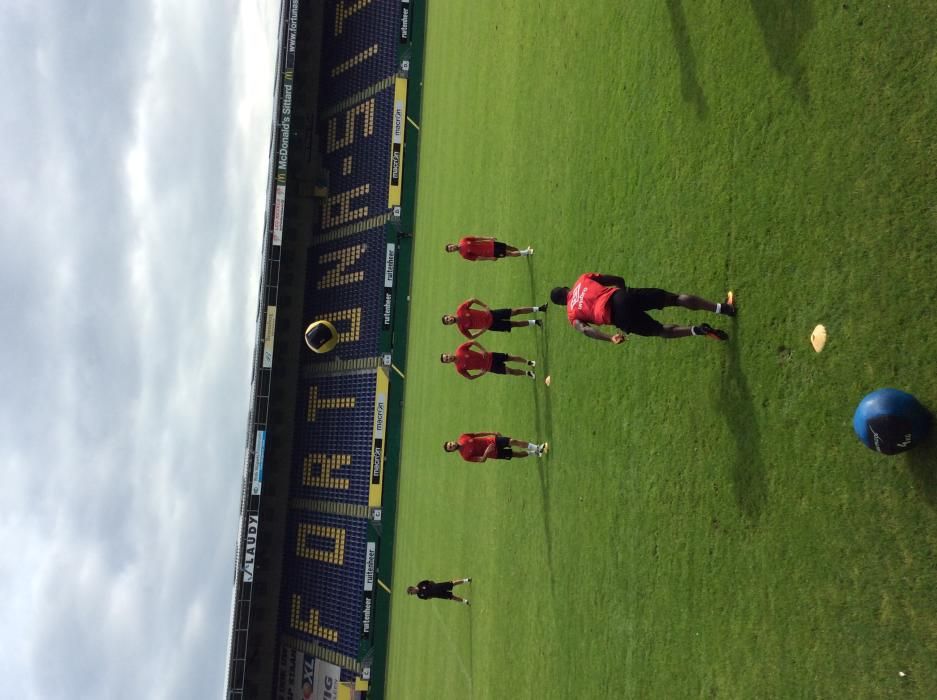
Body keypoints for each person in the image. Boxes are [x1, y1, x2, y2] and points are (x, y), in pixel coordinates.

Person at [549, 274, 734, 343]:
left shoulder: (572, 315)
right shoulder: (583, 280)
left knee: (660, 330)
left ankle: (699, 330)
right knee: (675, 299)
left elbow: (586, 330)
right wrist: (625, 295)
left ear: (562, 304)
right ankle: (723, 308)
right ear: (567, 288)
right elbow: (618, 279)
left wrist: (610, 337)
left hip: (618, 317)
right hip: (621, 296)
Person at [442, 298, 546, 339]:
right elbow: (470, 337)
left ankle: (540, 308)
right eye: (448, 322)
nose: (449, 320)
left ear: (449, 315)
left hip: (491, 314)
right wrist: (481, 331)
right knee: (515, 324)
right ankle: (536, 322)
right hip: (491, 326)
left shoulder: (461, 309)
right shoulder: (461, 328)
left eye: (448, 318)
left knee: (515, 311)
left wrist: (485, 307)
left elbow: (473, 300)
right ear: (449, 324)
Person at [440, 340, 536, 379]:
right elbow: (469, 377)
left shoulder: (460, 350)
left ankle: (528, 362)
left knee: (510, 357)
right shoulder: (459, 368)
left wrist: (483, 350)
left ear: (448, 354)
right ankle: (527, 373)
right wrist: (480, 374)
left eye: (446, 356)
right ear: (447, 363)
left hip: (490, 356)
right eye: (446, 360)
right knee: (509, 371)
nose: (448, 358)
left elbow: (472, 342)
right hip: (490, 367)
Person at [444, 432, 548, 461]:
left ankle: (537, 447)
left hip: (493, 440)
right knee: (515, 454)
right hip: (495, 453)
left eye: (450, 443)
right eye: (450, 447)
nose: (452, 445)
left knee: (513, 441)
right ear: (452, 451)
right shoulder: (465, 456)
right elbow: (481, 460)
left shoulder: (463, 437)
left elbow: (476, 434)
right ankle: (534, 452)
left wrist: (492, 433)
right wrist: (486, 452)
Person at [445, 236, 532, 261]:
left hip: (491, 244)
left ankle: (522, 252)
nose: (452, 248)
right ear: (452, 252)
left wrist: (489, 238)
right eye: (451, 250)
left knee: (509, 247)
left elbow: (477, 238)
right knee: (508, 253)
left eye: (451, 247)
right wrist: (490, 258)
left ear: (452, 244)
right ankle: (526, 252)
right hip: (491, 252)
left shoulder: (463, 240)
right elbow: (478, 258)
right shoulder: (464, 255)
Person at [407, 577, 472, 606]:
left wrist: (435, 586)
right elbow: (429, 598)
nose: (413, 594)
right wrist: (434, 594)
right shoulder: (420, 596)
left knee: (452, 583)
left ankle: (466, 580)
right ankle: (465, 601)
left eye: (412, 592)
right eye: (412, 594)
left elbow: (430, 581)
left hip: (438, 586)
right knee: (452, 597)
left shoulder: (420, 584)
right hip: (438, 595)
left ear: (412, 588)